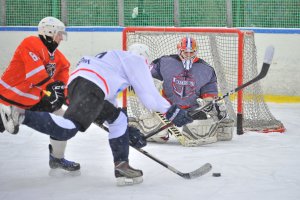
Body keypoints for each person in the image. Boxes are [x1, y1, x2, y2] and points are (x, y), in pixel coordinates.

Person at [0, 43, 193, 186]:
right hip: (91, 86)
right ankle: (20, 113)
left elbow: (109, 109)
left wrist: (125, 133)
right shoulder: (134, 59)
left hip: (80, 85)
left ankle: (122, 167)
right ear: (144, 58)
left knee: (119, 119)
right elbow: (149, 96)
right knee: (69, 129)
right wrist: (172, 111)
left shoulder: (111, 61)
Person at [0, 17, 80, 173]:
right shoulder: (30, 43)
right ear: (49, 32)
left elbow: (62, 80)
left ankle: (57, 159)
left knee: (63, 120)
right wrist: (51, 87)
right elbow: (35, 75)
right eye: (59, 34)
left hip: (31, 103)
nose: (61, 38)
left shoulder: (59, 59)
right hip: (6, 101)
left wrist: (65, 96)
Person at [129, 37, 234, 146]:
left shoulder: (206, 69)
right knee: (158, 133)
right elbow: (147, 74)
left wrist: (209, 104)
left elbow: (209, 93)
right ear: (179, 50)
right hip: (168, 109)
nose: (188, 55)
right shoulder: (165, 62)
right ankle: (153, 127)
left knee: (201, 128)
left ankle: (217, 126)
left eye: (191, 52)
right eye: (185, 52)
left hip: (191, 111)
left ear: (196, 51)